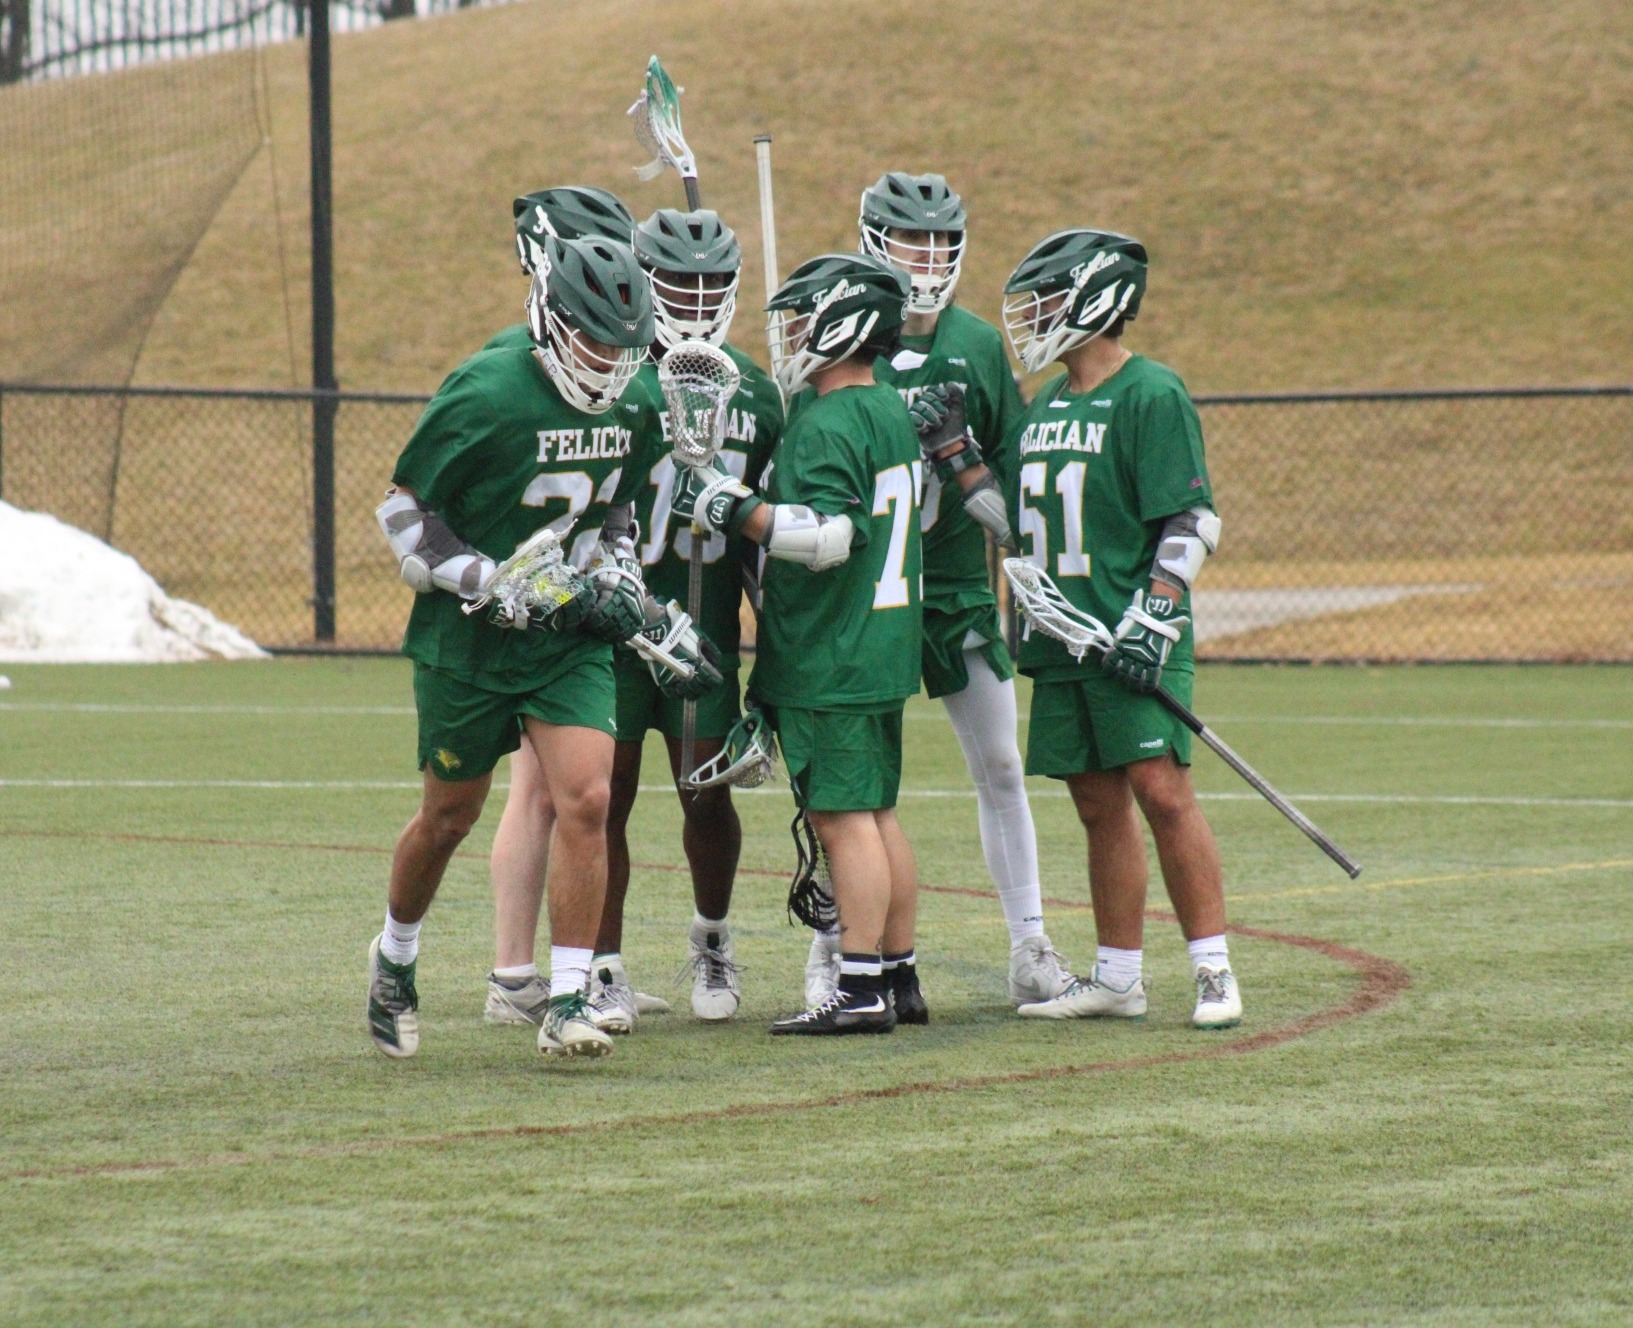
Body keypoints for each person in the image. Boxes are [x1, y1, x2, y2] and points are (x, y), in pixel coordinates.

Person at [365, 233, 668, 1060]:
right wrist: (484, 578)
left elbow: (617, 515)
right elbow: (401, 513)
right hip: (467, 645)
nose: (608, 359)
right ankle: (394, 956)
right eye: (593, 338)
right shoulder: (489, 390)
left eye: (623, 341)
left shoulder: (636, 400)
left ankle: (568, 995)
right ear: (550, 318)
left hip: (564, 641)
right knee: (447, 818)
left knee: (589, 800)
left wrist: (617, 579)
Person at [792, 170, 1075, 1013]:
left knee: (999, 764)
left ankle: (1030, 943)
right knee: (849, 788)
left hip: (949, 584)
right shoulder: (832, 340)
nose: (928, 255)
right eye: (913, 239)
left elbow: (1014, 484)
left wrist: (964, 460)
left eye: (941, 240)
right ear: (875, 239)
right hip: (856, 595)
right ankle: (835, 948)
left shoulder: (977, 344)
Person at [672, 253, 926, 1035]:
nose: (789, 335)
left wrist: (731, 505)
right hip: (880, 644)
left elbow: (831, 536)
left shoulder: (828, 421)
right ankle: (896, 972)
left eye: (803, 319)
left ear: (841, 324)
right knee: (876, 814)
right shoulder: (887, 409)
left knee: (842, 818)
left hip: (832, 650)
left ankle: (858, 988)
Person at [997, 228, 1241, 1030]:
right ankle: (1116, 977)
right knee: (1097, 802)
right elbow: (1017, 522)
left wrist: (1155, 611)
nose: (1034, 317)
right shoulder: (1048, 405)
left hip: (1132, 633)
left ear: (1094, 302)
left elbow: (1189, 515)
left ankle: (1212, 970)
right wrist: (961, 458)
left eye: (1048, 300)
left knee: (1162, 793)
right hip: (1063, 638)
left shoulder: (1149, 393)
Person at [471, 186, 680, 1029]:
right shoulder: (516, 362)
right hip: (533, 599)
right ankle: (528, 976)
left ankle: (524, 977)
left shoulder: (604, 355)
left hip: (582, 589)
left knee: (547, 793)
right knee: (545, 794)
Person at [583, 207, 784, 1030]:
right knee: (607, 796)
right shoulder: (617, 377)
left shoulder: (760, 394)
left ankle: (711, 938)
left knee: (704, 793)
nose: (696, 297)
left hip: (703, 622)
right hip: (618, 623)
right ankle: (600, 964)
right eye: (678, 280)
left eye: (710, 282)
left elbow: (767, 537)